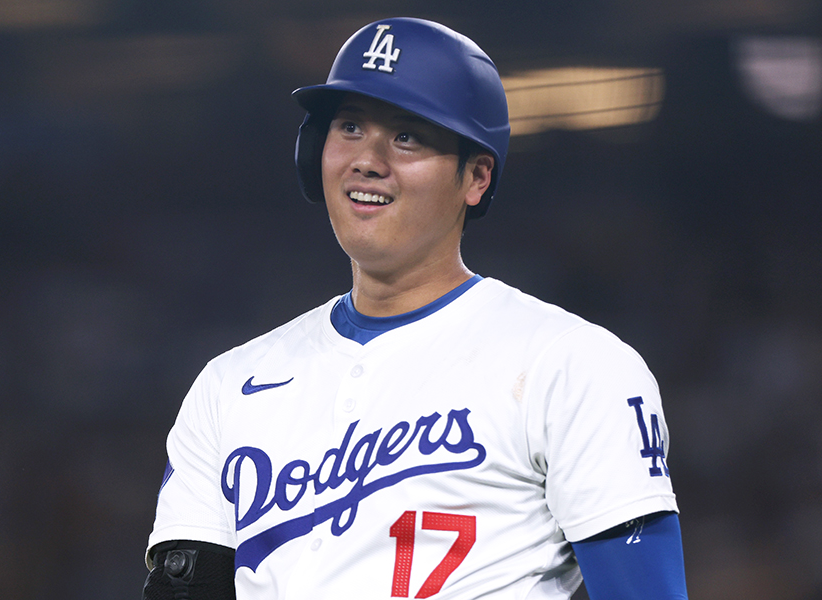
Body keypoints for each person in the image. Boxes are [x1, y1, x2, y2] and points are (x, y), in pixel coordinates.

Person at [142, 17, 688, 600]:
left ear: (476, 177)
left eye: (407, 137)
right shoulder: (229, 385)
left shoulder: (573, 364)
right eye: (349, 127)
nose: (368, 159)